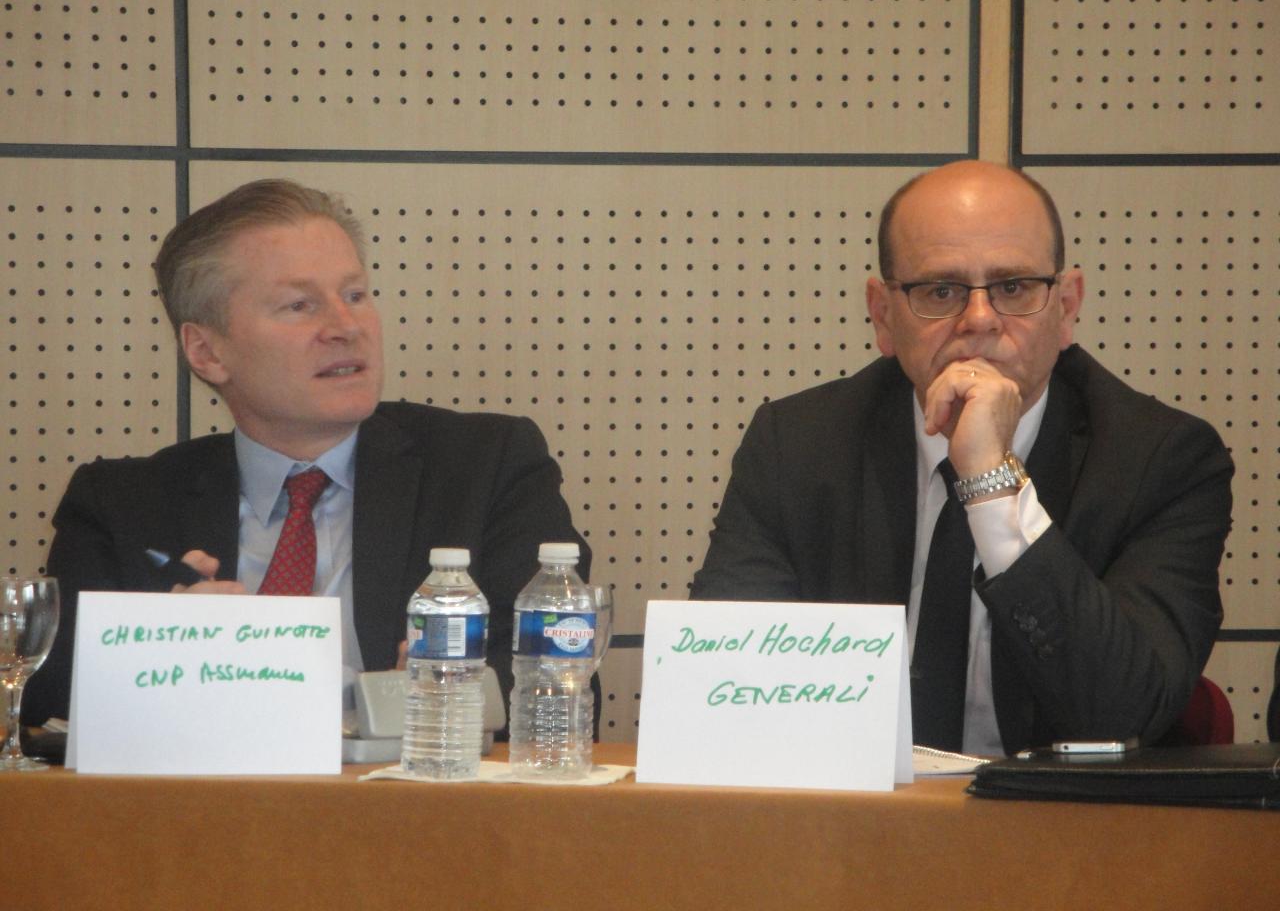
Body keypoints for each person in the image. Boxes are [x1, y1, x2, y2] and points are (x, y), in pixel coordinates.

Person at [691, 160, 1233, 756]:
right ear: (883, 315)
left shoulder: (1161, 461)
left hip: (1061, 811)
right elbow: (723, 690)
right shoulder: (795, 448)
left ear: (1066, 307)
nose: (979, 320)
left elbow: (1122, 710)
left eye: (1014, 287)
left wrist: (992, 485)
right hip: (852, 804)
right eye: (941, 291)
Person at [23, 178, 588, 727]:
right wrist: (163, 659)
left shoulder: (488, 467)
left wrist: (425, 699)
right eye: (299, 305)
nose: (345, 326)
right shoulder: (120, 507)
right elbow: (45, 706)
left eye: (355, 295)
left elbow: (556, 682)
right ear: (207, 351)